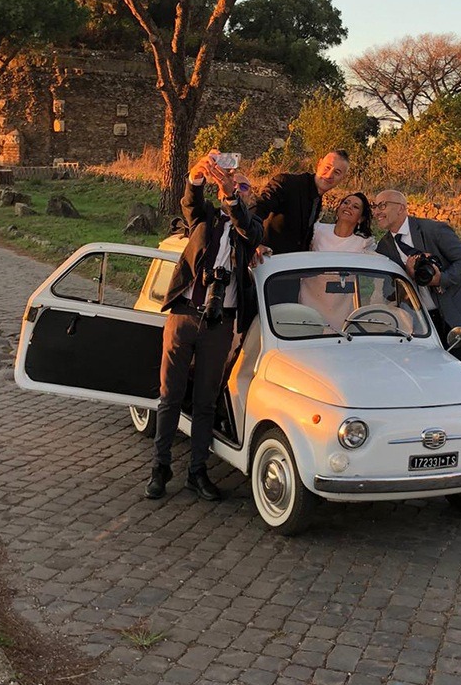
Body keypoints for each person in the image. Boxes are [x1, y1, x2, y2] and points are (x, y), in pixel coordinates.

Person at [146, 153, 263, 503]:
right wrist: (197, 177)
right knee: (169, 395)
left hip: (220, 322)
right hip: (184, 314)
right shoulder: (205, 219)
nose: (236, 188)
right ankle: (160, 467)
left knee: (205, 402)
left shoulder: (251, 229)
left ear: (248, 196)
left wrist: (232, 198)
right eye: (232, 183)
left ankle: (197, 471)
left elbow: (245, 226)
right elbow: (190, 204)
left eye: (243, 186)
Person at [373, 189, 461, 366]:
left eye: (382, 205)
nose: (376, 212)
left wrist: (440, 279)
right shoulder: (384, 247)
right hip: (418, 324)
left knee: (456, 372)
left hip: (450, 316)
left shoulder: (434, 230)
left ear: (401, 208)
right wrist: (408, 275)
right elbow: (388, 291)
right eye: (374, 207)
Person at [300, 192, 376, 327]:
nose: (348, 207)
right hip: (309, 302)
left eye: (355, 207)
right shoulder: (318, 230)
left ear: (361, 218)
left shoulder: (364, 243)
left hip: (341, 309)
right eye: (346, 203)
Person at [255, 150, 351, 255]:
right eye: (327, 167)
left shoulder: (317, 200)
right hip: (265, 263)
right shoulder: (287, 182)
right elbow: (258, 209)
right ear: (319, 164)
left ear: (343, 179)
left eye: (337, 172)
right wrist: (254, 244)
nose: (329, 175)